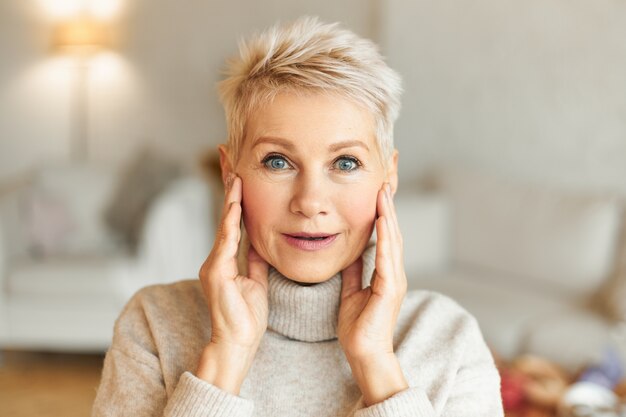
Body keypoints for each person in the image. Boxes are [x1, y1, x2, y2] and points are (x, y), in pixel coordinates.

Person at [92, 16, 504, 416]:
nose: (310, 201)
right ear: (229, 171)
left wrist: (376, 365)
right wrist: (226, 358)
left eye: (345, 163)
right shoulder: (153, 323)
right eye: (277, 161)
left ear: (388, 176)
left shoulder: (449, 339)